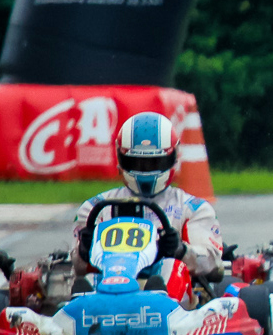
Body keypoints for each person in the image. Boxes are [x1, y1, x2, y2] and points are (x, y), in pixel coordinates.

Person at [72, 112, 223, 285]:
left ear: (172, 157)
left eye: (154, 163)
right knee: (87, 281)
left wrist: (180, 250)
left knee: (169, 267)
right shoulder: (95, 209)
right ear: (122, 158)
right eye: (137, 163)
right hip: (109, 287)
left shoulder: (193, 208)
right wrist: (84, 250)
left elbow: (213, 264)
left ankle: (157, 293)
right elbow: (77, 268)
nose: (145, 170)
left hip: (169, 294)